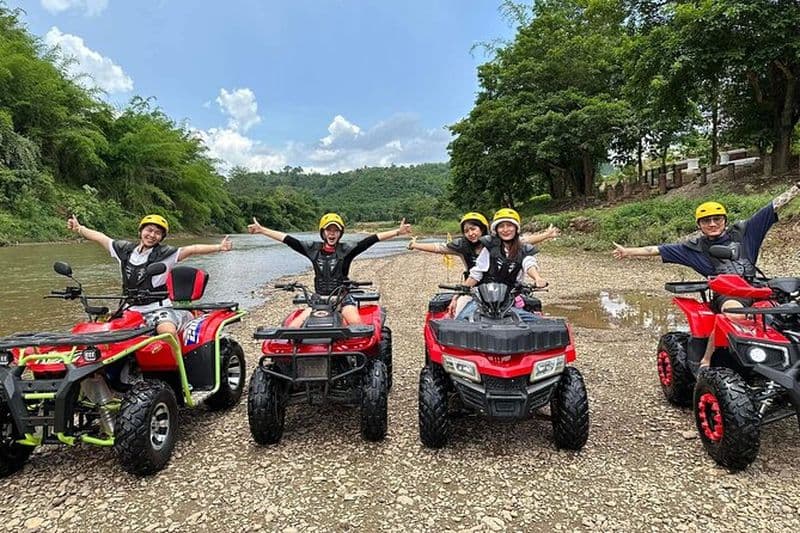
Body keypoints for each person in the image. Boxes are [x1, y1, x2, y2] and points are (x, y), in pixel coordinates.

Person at [612, 180, 800, 366]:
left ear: (724, 220)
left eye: (716, 219)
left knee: (788, 313)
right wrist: (628, 251)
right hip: (727, 294)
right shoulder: (693, 249)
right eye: (706, 220)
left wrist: (796, 188)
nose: (712, 224)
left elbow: (774, 206)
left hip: (757, 287)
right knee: (734, 315)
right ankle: (707, 360)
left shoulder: (746, 232)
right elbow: (656, 249)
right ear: (699, 225)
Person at [67, 214, 232, 340]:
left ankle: (180, 372)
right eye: (149, 230)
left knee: (167, 333)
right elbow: (100, 237)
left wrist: (219, 247)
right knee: (102, 333)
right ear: (141, 231)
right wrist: (79, 228)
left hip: (158, 309)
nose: (152, 235)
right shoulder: (124, 250)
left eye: (158, 233)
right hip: (129, 309)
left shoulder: (167, 254)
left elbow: (192, 249)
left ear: (161, 237)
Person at [248, 213, 411, 327]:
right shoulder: (312, 249)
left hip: (343, 299)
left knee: (357, 325)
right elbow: (288, 240)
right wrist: (263, 230)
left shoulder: (347, 249)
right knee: (293, 328)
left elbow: (370, 240)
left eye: (335, 230)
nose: (332, 233)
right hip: (319, 300)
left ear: (340, 233)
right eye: (329, 230)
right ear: (323, 232)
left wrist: (397, 232)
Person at [455, 208, 547, 322]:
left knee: (538, 323)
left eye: (509, 225)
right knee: (461, 320)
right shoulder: (489, 247)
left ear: (516, 228)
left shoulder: (523, 249)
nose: (505, 230)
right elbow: (477, 273)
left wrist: (537, 278)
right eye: (501, 226)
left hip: (510, 298)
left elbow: (528, 263)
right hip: (484, 298)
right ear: (496, 230)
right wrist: (462, 290)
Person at [408, 211, 560, 279]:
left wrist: (546, 235)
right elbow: (439, 248)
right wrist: (416, 245)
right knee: (460, 309)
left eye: (474, 229)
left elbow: (524, 242)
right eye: (466, 231)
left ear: (482, 229)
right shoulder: (462, 246)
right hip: (474, 286)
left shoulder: (496, 241)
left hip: (501, 285)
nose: (471, 233)